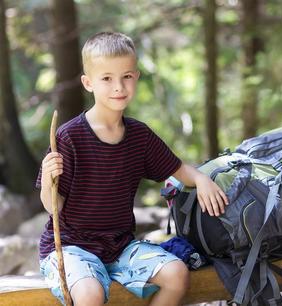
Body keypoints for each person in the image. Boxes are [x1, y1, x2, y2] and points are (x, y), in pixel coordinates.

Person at [37, 31, 228, 306]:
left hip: (120, 246)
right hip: (71, 248)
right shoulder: (69, 138)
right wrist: (48, 181)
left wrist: (200, 179)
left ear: (136, 77)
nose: (119, 87)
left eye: (126, 76)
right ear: (88, 83)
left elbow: (177, 168)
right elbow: (53, 206)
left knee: (176, 273)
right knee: (90, 295)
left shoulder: (139, 136)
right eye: (107, 78)